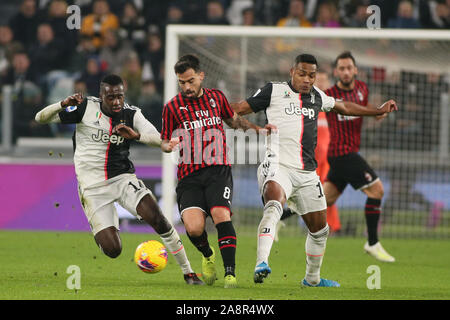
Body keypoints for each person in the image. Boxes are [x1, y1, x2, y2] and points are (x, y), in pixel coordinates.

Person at [231, 53, 397, 287]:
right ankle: (261, 263)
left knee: (320, 230)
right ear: (292, 72)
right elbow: (234, 111)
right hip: (278, 165)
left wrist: (376, 110)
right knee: (274, 206)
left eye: (312, 75)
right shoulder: (273, 90)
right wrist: (255, 128)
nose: (307, 80)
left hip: (308, 174)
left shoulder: (318, 96)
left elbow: (345, 107)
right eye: (302, 74)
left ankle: (312, 279)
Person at [34, 74, 203, 285]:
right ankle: (104, 227)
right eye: (111, 97)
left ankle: (189, 272)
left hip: (122, 179)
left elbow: (159, 139)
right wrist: (62, 104)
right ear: (100, 96)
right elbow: (40, 118)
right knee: (113, 250)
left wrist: (136, 136)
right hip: (92, 187)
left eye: (120, 97)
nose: (116, 102)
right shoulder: (84, 108)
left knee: (158, 218)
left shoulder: (131, 114)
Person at [160, 54, 274, 288]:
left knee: (221, 215)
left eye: (190, 80)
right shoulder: (172, 107)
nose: (187, 87)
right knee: (194, 228)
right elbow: (163, 140)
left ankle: (230, 273)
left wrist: (257, 129)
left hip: (218, 169)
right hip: (189, 175)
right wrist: (167, 145)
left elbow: (234, 121)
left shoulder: (216, 98)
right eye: (182, 82)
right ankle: (207, 254)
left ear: (201, 76)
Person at [323, 51, 396, 262]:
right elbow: (349, 108)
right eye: (341, 68)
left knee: (323, 200)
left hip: (349, 153)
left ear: (355, 70)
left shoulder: (363, 89)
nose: (345, 72)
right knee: (377, 190)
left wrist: (380, 112)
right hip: (341, 153)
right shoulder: (329, 95)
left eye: (349, 68)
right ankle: (372, 243)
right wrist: (375, 111)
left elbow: (364, 111)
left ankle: (279, 218)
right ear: (336, 71)